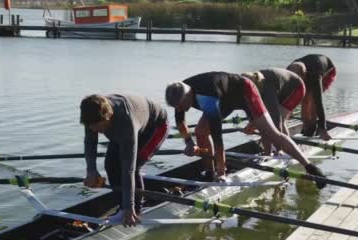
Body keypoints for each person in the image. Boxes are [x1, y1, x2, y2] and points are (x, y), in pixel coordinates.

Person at [165, 71, 326, 188]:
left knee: (271, 133)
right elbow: (180, 122)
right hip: (225, 98)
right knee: (200, 131)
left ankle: (310, 167)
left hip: (245, 91)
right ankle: (209, 172)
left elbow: (217, 138)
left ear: (189, 95)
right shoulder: (178, 93)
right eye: (176, 106)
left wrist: (222, 173)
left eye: (180, 105)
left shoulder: (208, 98)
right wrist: (188, 142)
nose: (179, 108)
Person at [80, 94, 169, 226]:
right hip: (127, 125)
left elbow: (129, 170)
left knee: (133, 165)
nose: (94, 130)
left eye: (98, 127)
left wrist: (130, 206)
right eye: (91, 127)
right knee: (110, 165)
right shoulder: (91, 113)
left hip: (155, 126)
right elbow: (90, 143)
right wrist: (91, 170)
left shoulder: (126, 122)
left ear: (108, 117)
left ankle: (135, 212)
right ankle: (122, 208)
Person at [241, 68, 305, 141]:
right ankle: (269, 151)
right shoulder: (255, 85)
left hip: (297, 88)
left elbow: (276, 120)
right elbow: (254, 112)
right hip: (281, 90)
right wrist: (252, 124)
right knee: (266, 122)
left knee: (279, 119)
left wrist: (256, 125)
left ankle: (284, 147)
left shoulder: (267, 89)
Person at [287, 54, 336, 140]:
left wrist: (323, 128)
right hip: (310, 69)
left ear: (304, 74)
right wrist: (289, 110)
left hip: (327, 72)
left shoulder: (315, 76)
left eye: (299, 79)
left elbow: (319, 103)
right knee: (304, 100)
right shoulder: (288, 71)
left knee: (312, 102)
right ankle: (306, 127)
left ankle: (312, 130)